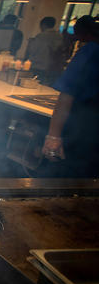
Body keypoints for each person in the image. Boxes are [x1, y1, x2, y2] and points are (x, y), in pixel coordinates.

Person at [41, 16, 99, 177]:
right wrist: (54, 136)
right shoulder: (92, 51)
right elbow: (67, 93)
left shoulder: (90, 50)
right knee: (72, 177)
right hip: (84, 129)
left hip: (86, 131)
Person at [24, 16, 69, 86]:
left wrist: (31, 43)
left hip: (38, 67)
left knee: (33, 86)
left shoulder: (41, 36)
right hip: (52, 69)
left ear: (43, 25)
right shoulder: (59, 36)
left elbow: (33, 50)